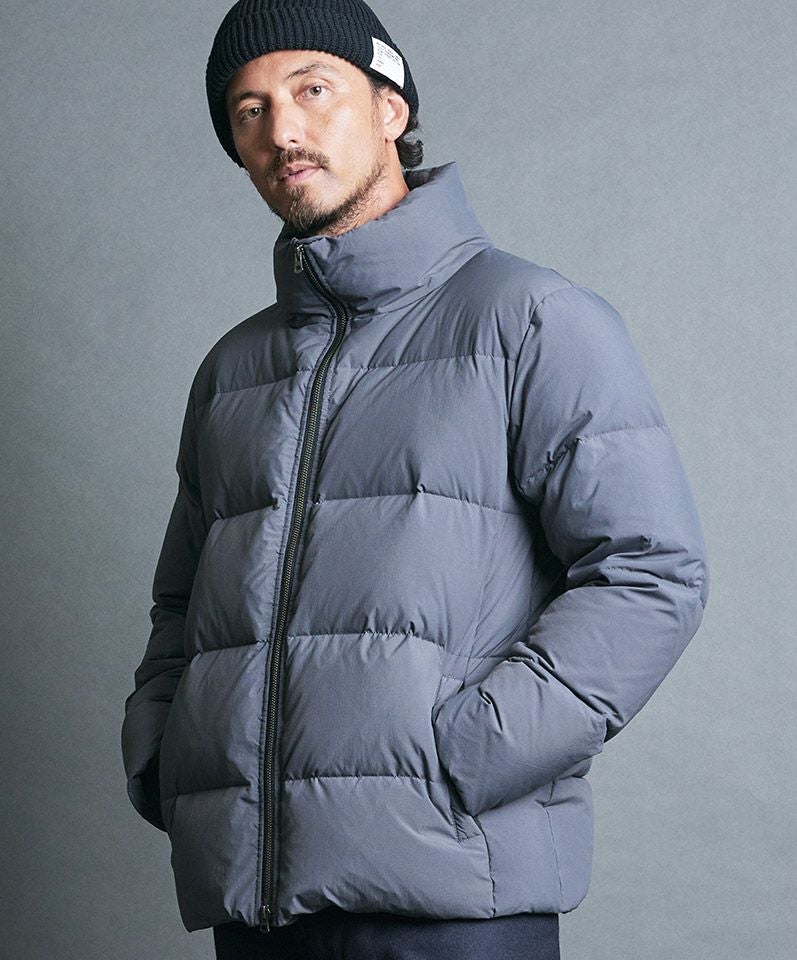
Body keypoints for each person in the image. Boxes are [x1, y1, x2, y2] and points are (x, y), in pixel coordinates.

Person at [121, 1, 710, 957]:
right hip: (255, 905)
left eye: (314, 90)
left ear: (391, 107)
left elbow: (652, 573)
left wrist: (464, 755)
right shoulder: (233, 370)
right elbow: (183, 605)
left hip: (453, 904)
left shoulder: (531, 319)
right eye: (249, 111)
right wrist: (167, 753)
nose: (283, 131)